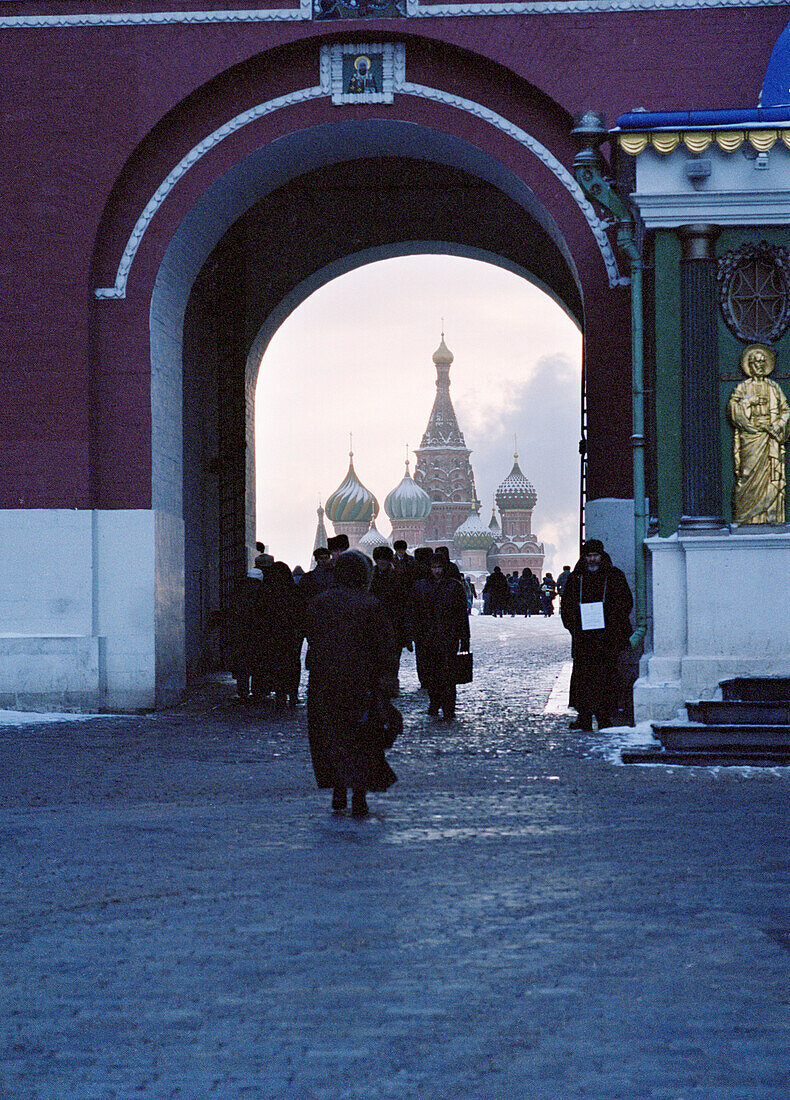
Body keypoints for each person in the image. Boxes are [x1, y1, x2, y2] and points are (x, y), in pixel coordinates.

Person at [304, 550, 397, 818]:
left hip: (325, 683)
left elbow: (311, 635)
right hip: (361, 683)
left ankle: (337, 790)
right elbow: (385, 647)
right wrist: (387, 682)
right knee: (362, 739)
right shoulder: (371, 604)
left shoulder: (319, 603)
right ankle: (359, 795)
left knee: (331, 737)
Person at [560, 539, 633, 731]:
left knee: (606, 678)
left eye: (595, 556)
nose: (592, 559)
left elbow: (625, 603)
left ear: (602, 556)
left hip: (607, 639)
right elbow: (566, 607)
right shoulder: (576, 579)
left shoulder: (614, 577)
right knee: (583, 679)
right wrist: (575, 626)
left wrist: (611, 622)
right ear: (584, 558)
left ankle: (604, 717)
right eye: (589, 556)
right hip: (584, 640)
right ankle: (584, 716)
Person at [726, 343, 790, 524]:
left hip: (770, 438)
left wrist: (777, 426)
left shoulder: (774, 388)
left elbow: (785, 410)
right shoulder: (742, 388)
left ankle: (771, 515)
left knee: (772, 475)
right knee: (747, 473)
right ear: (750, 365)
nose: (760, 365)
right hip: (751, 437)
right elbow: (734, 408)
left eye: (763, 362)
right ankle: (747, 515)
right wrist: (749, 402)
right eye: (756, 362)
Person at [407, 552, 470, 720]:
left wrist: (465, 639)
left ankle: (449, 706)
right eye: (434, 567)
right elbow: (414, 613)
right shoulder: (420, 587)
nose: (437, 571)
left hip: (448, 637)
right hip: (427, 638)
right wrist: (413, 635)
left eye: (439, 567)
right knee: (432, 674)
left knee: (448, 674)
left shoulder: (454, 587)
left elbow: (461, 615)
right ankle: (434, 703)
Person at [370, 544, 409, 696]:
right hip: (374, 625)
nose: (382, 562)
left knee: (393, 659)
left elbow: (404, 602)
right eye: (380, 560)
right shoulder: (370, 577)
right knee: (376, 658)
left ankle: (391, 685)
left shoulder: (397, 577)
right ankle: (377, 686)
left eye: (385, 560)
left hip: (394, 625)